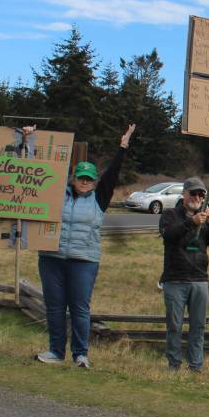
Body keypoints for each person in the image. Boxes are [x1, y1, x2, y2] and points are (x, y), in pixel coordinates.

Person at [36, 124, 135, 368]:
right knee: (55, 307)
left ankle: (81, 354)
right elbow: (37, 171)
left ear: (94, 182)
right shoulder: (57, 193)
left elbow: (112, 173)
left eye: (89, 178)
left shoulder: (99, 198)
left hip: (84, 260)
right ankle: (56, 351)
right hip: (52, 257)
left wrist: (122, 147)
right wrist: (28, 140)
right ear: (73, 177)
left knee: (80, 308)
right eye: (81, 177)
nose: (84, 181)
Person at [158, 176, 209, 372]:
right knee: (174, 325)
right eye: (193, 193)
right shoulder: (170, 214)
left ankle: (195, 365)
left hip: (199, 279)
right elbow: (169, 236)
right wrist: (191, 222)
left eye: (201, 194)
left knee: (198, 326)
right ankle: (174, 364)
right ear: (184, 194)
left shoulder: (205, 217)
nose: (197, 197)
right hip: (175, 278)